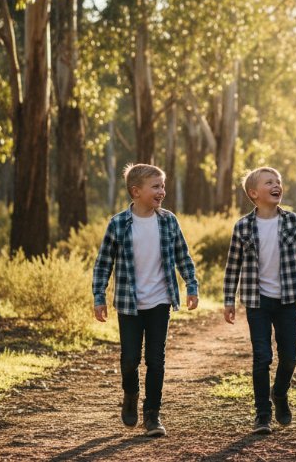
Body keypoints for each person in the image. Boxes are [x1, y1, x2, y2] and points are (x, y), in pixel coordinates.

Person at [223, 167, 296, 435]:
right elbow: (232, 267)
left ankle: (280, 393)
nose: (276, 185)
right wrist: (229, 300)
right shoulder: (243, 226)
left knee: (289, 356)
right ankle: (262, 415)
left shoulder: (292, 221)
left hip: (286, 300)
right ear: (254, 193)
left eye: (278, 181)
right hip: (257, 302)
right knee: (262, 357)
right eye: (269, 182)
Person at [92, 163, 200, 438]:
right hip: (129, 303)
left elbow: (182, 255)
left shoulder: (168, 221)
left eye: (163, 186)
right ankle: (130, 395)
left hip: (160, 300)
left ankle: (152, 414)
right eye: (156, 186)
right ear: (136, 191)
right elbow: (104, 262)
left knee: (156, 359)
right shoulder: (118, 223)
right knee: (129, 359)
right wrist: (99, 296)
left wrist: (191, 285)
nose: (162, 191)